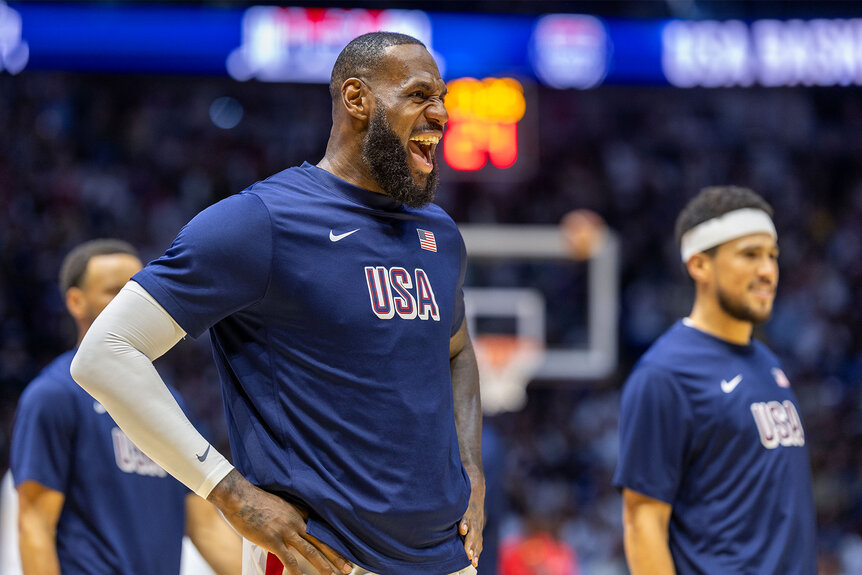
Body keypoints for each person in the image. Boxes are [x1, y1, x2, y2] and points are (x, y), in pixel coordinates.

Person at [71, 31, 484, 575]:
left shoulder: (439, 233)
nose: (440, 114)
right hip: (319, 558)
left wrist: (471, 472)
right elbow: (106, 351)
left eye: (443, 98)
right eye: (419, 95)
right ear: (357, 100)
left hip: (446, 558)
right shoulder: (262, 221)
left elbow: (455, 351)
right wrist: (228, 492)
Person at [613, 186, 816, 574]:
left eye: (772, 255)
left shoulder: (769, 362)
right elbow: (643, 523)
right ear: (699, 265)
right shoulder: (665, 374)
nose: (767, 270)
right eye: (750, 255)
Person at [9, 239, 241, 575]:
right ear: (75, 301)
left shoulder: (171, 401)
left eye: (136, 289)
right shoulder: (53, 395)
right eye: (113, 291)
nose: (127, 302)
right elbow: (34, 524)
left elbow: (205, 523)